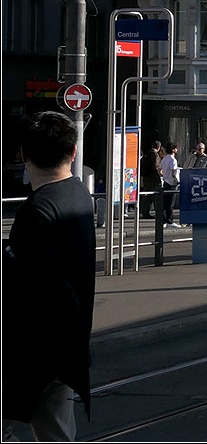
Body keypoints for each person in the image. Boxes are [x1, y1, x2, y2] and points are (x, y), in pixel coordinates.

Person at [3, 112, 96, 441]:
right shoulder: (78, 194)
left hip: (31, 353)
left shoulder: (38, 210)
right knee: (55, 432)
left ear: (23, 155)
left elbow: (25, 287)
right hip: (68, 348)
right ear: (73, 152)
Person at [139, 140, 162, 220]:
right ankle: (158, 213)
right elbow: (155, 166)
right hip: (153, 178)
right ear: (158, 148)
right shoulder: (155, 155)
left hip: (146, 179)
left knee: (146, 196)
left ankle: (145, 212)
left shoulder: (147, 154)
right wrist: (159, 174)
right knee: (156, 196)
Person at [160, 143, 181, 227]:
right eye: (176, 148)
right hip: (172, 183)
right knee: (171, 204)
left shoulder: (164, 159)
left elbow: (160, 170)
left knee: (165, 203)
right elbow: (173, 171)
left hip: (165, 181)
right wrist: (176, 180)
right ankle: (170, 221)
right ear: (173, 149)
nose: (177, 150)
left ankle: (164, 221)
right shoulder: (173, 160)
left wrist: (163, 175)